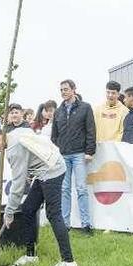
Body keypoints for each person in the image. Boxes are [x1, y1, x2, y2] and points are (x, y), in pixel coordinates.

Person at [0, 126, 77, 266]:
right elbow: (31, 139)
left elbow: (18, 186)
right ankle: (31, 255)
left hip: (52, 170)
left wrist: (9, 212)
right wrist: (30, 169)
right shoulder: (15, 133)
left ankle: (68, 262)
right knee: (28, 209)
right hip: (42, 171)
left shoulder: (14, 150)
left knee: (53, 214)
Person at [50, 79, 96, 234]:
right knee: (64, 189)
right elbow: (54, 135)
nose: (63, 92)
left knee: (82, 188)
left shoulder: (85, 108)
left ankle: (86, 224)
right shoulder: (58, 111)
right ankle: (65, 224)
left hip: (79, 154)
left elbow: (91, 130)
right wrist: (59, 147)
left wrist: (89, 151)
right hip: (63, 155)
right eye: (61, 89)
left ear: (74, 90)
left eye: (66, 89)